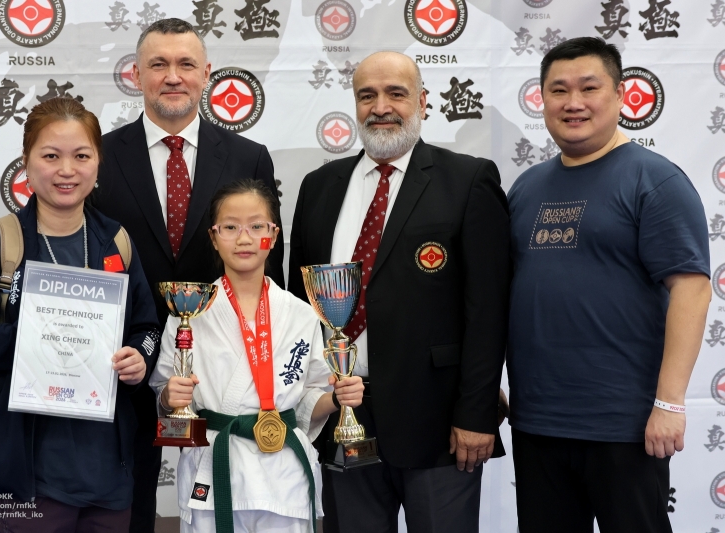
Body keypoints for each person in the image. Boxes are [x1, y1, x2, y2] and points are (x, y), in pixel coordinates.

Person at [288, 51, 510, 533]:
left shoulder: (468, 180)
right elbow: (298, 307)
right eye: (367, 95)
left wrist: (477, 415)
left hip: (438, 425)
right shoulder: (320, 187)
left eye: (396, 94)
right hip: (342, 416)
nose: (381, 107)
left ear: (423, 102)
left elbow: (488, 311)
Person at [507, 37, 711, 533]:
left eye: (589, 88)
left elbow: (692, 289)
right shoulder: (526, 187)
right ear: (542, 99)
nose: (573, 102)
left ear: (620, 96)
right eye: (558, 90)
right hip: (537, 421)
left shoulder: (654, 180)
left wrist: (669, 404)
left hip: (625, 425)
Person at [94, 18, 284, 531]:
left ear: (206, 73)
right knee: (127, 508)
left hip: (225, 363)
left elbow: (269, 262)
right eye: (158, 64)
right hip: (123, 364)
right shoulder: (100, 157)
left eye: (185, 64)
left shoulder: (249, 157)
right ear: (136, 74)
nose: (173, 76)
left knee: (230, 502)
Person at [0, 97, 160, 532]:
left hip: (106, 475)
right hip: (20, 476)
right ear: (26, 162)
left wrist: (139, 356)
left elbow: (147, 327)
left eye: (81, 156)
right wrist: (37, 336)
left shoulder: (115, 241)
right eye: (51, 156)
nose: (67, 170)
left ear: (98, 163)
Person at [149, 179, 363, 533]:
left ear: (274, 235)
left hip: (283, 475)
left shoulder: (301, 313)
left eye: (256, 226)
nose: (244, 238)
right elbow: (163, 394)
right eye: (230, 227)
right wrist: (169, 397)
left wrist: (338, 399)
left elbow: (308, 398)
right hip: (215, 468)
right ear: (214, 237)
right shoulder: (188, 310)